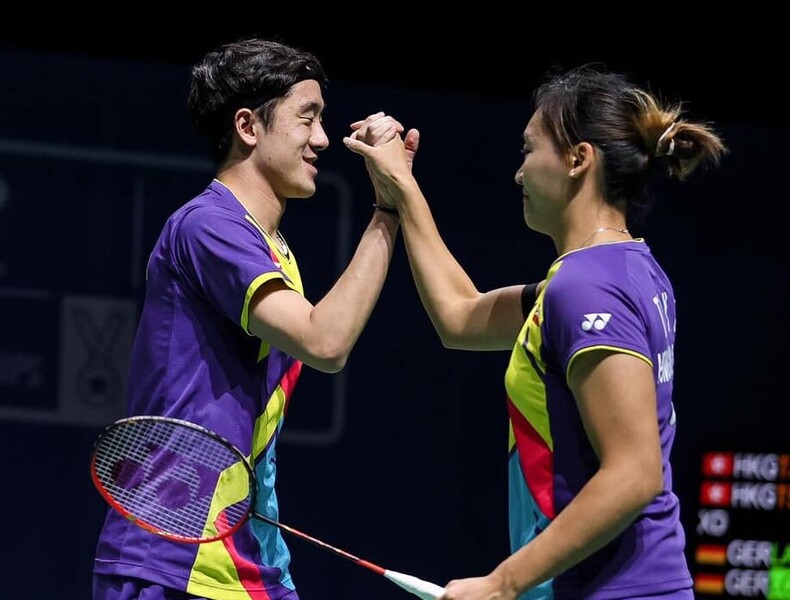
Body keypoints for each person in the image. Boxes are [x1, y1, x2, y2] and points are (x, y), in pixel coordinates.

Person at [345, 63, 727, 599]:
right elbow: (460, 315)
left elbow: (636, 472)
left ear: (577, 160)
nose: (519, 174)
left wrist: (501, 584)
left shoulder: (587, 288)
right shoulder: (624, 268)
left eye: (528, 150)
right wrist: (401, 189)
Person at [92, 36, 404, 600]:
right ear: (248, 126)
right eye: (306, 119)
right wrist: (388, 207)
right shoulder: (208, 226)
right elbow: (326, 341)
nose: (322, 139)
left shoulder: (273, 247)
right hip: (173, 556)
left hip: (246, 557)